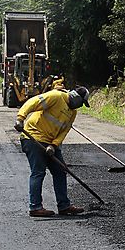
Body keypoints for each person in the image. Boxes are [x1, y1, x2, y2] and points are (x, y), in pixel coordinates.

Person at [14, 86, 90, 217]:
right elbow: (32, 102)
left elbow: (64, 131)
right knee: (38, 172)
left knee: (60, 171)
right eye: (81, 103)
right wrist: (20, 118)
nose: (80, 106)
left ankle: (64, 206)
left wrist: (54, 146)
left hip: (50, 143)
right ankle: (35, 207)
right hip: (33, 137)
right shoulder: (56, 96)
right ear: (76, 97)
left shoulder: (73, 113)